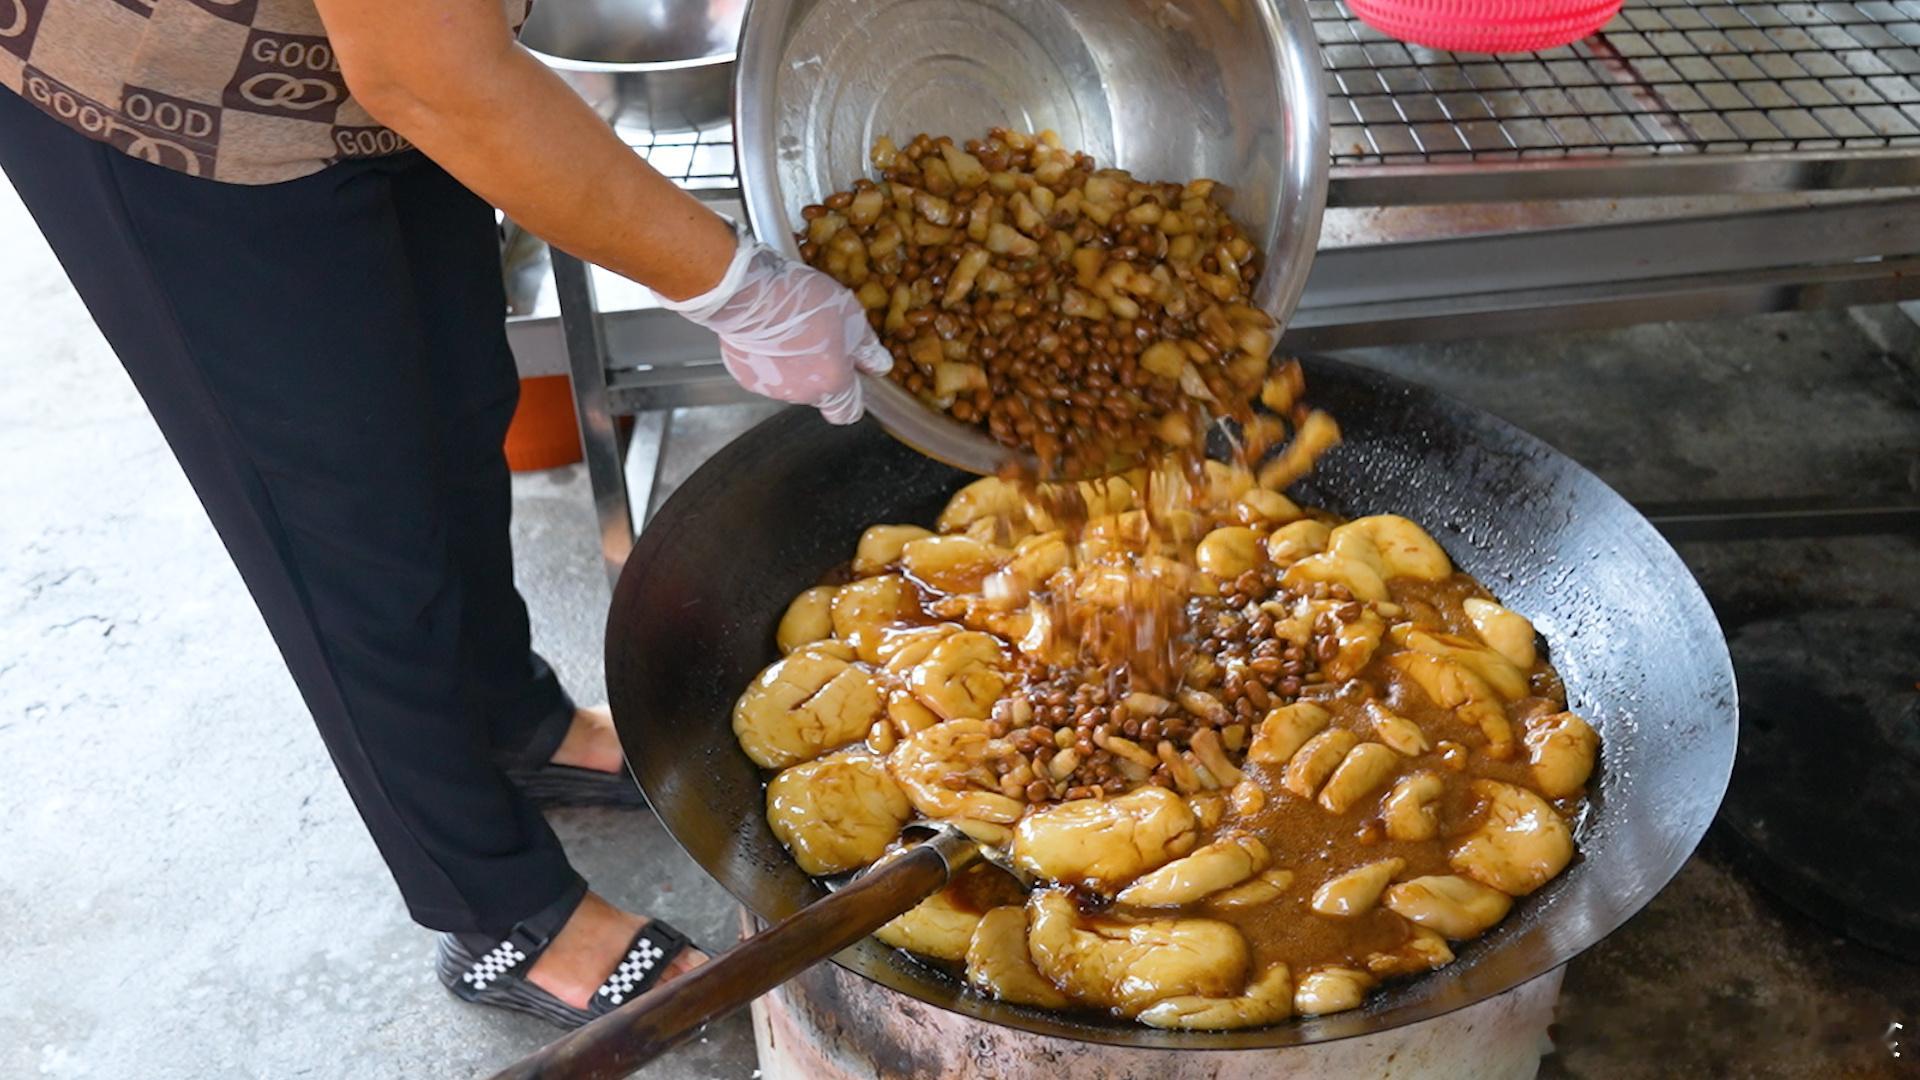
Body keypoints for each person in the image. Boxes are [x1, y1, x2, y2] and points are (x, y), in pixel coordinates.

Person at [0, 0, 889, 1029]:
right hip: (177, 91)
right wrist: (737, 289)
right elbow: (428, 77)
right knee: (337, 523)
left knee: (457, 397)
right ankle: (496, 906)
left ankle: (509, 718)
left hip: (374, 63)